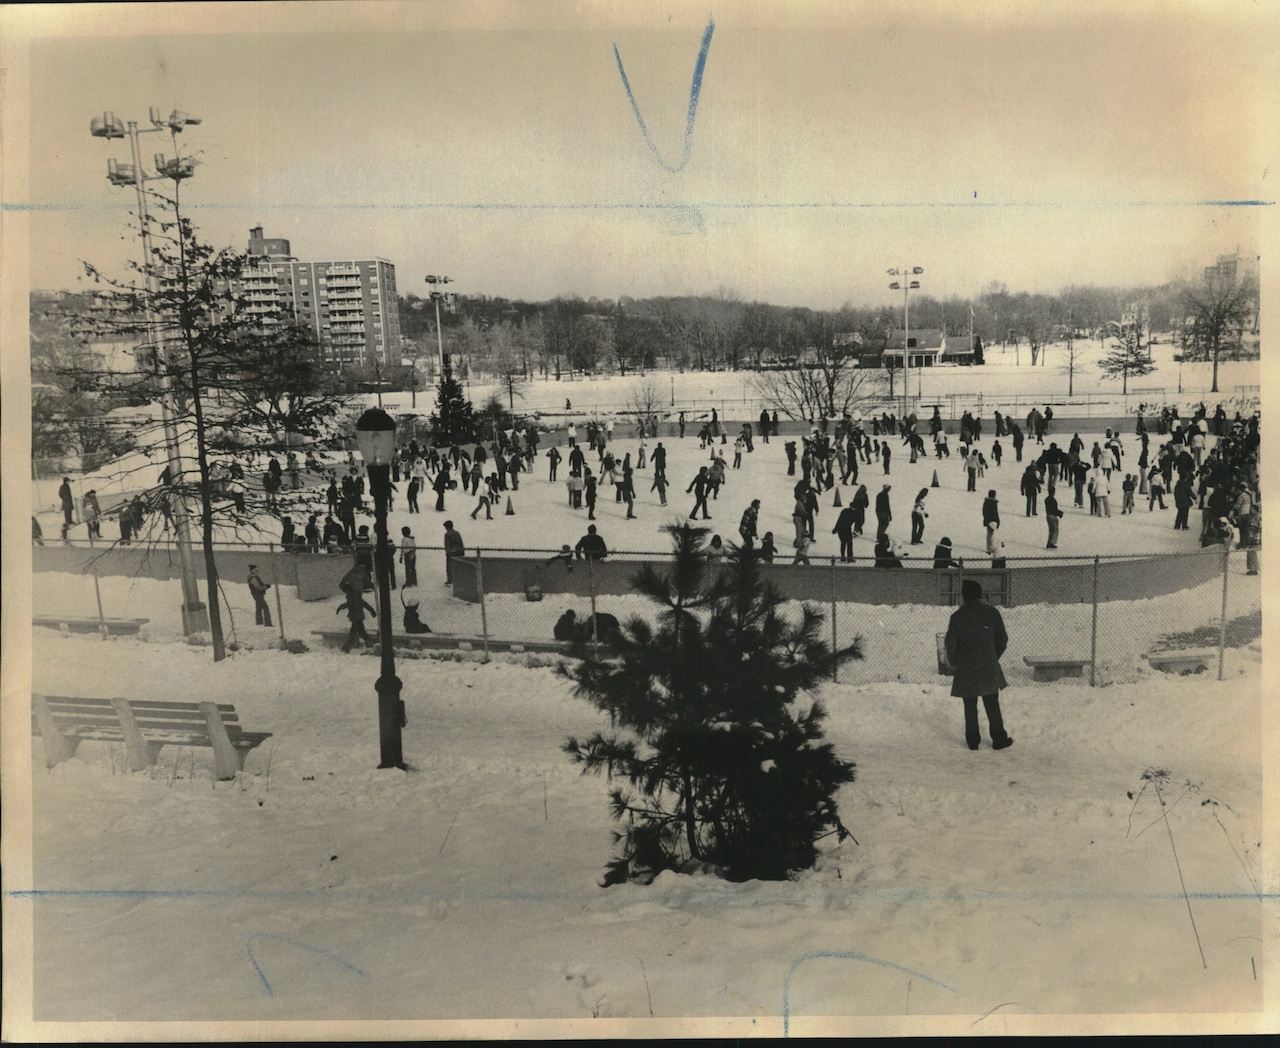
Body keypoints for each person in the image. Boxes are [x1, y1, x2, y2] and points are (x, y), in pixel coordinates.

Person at [944, 579, 1013, 751]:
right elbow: (1002, 639)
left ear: (964, 596)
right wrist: (992, 656)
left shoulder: (957, 617)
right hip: (988, 665)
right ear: (980, 594)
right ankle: (999, 739)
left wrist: (955, 661)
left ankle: (973, 741)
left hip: (966, 667)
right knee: (992, 702)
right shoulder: (992, 613)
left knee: (969, 704)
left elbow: (950, 643)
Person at [443, 520, 465, 585]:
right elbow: (461, 542)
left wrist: (448, 552)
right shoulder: (457, 533)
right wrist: (462, 551)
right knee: (458, 566)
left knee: (449, 567)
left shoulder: (447, 534)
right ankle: (459, 579)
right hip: (459, 552)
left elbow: (447, 544)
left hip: (451, 553)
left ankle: (450, 580)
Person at [982, 489, 1000, 554]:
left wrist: (986, 520)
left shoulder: (986, 502)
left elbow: (984, 512)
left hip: (988, 521)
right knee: (993, 535)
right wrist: (997, 521)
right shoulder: (993, 503)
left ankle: (988, 547)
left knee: (989, 535)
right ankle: (991, 548)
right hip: (993, 521)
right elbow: (995, 513)